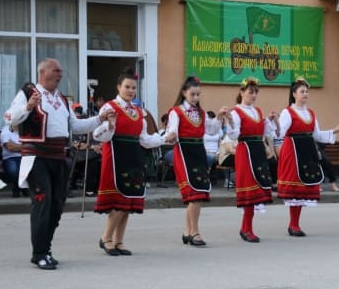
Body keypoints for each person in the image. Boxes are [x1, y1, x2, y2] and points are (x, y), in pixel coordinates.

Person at [6, 58, 112, 270]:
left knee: (56, 206)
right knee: (43, 203)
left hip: (58, 157)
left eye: (61, 71)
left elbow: (76, 126)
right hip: (36, 158)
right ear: (43, 72)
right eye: (56, 70)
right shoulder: (28, 93)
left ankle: (46, 248)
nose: (60, 74)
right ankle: (39, 253)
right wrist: (28, 106)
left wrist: (100, 118)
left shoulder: (62, 99)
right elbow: (10, 119)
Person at [92, 68, 173, 256]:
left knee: (128, 202)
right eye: (127, 87)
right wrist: (109, 126)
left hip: (134, 156)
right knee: (119, 202)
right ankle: (106, 238)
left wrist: (164, 138)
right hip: (116, 157)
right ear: (119, 87)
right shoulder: (109, 107)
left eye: (133, 88)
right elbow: (99, 136)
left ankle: (119, 241)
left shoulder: (139, 111)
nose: (130, 90)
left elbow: (144, 139)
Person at [165, 75, 230, 247]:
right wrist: (170, 136)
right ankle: (195, 232)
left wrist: (219, 117)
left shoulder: (201, 113)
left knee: (198, 194)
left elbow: (211, 130)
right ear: (184, 93)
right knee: (194, 194)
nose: (195, 98)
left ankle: (187, 232)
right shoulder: (176, 112)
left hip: (198, 153)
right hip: (185, 153)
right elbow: (172, 131)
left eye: (198, 94)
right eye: (192, 94)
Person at [276, 77, 339, 237]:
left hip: (307, 150)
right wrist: (274, 125)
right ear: (294, 94)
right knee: (295, 187)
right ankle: (293, 225)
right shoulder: (288, 112)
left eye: (307, 91)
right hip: (292, 150)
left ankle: (295, 224)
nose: (305, 94)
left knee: (303, 187)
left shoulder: (310, 113)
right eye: (302, 91)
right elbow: (279, 133)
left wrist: (334, 131)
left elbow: (317, 135)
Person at [226, 77, 276, 243]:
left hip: (257, 151)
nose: (253, 95)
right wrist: (231, 122)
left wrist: (268, 121)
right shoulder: (236, 112)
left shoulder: (257, 111)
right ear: (241, 93)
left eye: (255, 92)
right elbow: (233, 135)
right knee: (249, 189)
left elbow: (264, 132)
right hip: (245, 151)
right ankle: (246, 228)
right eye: (250, 92)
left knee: (257, 190)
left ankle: (246, 228)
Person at [0, 123, 27, 197]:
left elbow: (33, 144)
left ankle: (20, 188)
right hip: (10, 157)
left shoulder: (27, 129)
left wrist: (16, 145)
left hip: (26, 156)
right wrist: (24, 146)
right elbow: (10, 147)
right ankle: (21, 188)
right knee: (13, 170)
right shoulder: (5, 131)